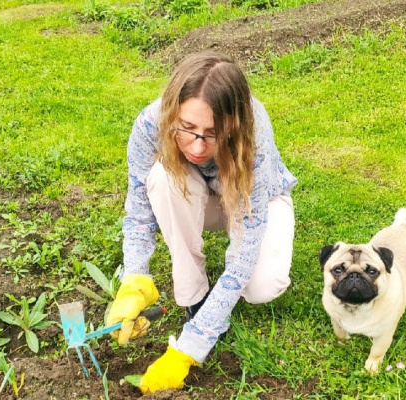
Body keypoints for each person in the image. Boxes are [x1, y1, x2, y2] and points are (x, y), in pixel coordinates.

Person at [106, 51, 298, 394]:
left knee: (261, 287)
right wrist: (135, 278)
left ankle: (208, 316)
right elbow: (138, 211)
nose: (197, 146)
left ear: (232, 124)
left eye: (212, 133)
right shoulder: (151, 123)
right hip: (194, 198)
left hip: (256, 201)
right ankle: (195, 295)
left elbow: (244, 250)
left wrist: (189, 348)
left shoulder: (253, 129)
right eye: (188, 128)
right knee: (162, 179)